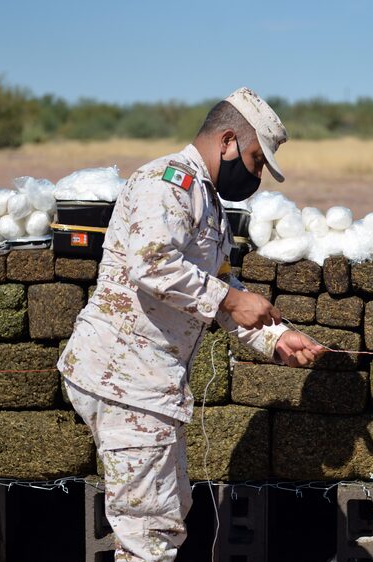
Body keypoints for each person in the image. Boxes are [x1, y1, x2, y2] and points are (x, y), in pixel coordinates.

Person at [58, 87, 324, 561]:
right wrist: (233, 297)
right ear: (227, 142)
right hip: (125, 380)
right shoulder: (167, 184)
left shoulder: (205, 198)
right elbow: (152, 264)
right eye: (257, 160)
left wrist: (276, 336)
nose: (257, 175)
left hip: (147, 383)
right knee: (148, 534)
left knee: (166, 511)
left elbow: (217, 287)